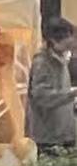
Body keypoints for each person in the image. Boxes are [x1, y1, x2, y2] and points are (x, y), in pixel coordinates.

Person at [29, 17, 77, 157]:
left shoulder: (63, 57)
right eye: (68, 39)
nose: (72, 42)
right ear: (54, 40)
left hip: (65, 132)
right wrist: (72, 94)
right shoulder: (42, 62)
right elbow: (41, 97)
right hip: (48, 136)